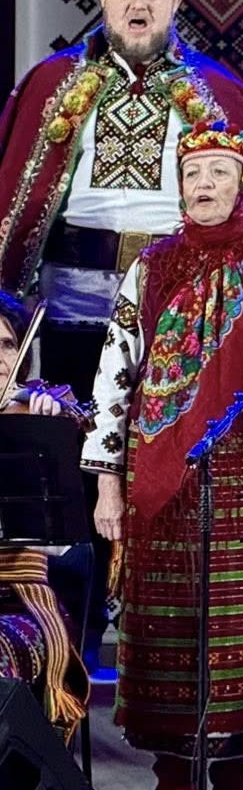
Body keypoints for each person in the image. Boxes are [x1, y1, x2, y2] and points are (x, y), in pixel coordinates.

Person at [81, 124, 243, 790]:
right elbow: (115, 376)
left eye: (219, 171)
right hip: (162, 484)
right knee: (167, 634)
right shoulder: (151, 266)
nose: (204, 184)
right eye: (193, 173)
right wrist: (108, 483)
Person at [0, 0, 243, 400]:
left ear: (176, 1)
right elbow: (14, 190)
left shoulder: (217, 90)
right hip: (71, 294)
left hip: (173, 290)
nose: (139, 3)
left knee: (161, 420)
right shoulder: (52, 82)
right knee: (69, 415)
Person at [0, 291, 89, 744]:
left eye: (7, 344)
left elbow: (59, 539)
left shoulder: (36, 414)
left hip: (19, 600)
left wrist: (49, 429)